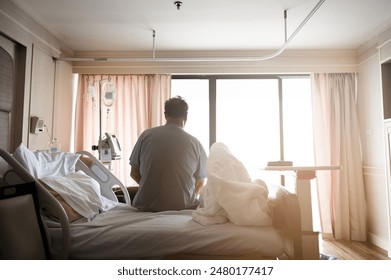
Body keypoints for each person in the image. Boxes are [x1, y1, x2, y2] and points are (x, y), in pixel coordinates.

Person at [129, 96, 207, 212]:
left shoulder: (146, 136)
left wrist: (150, 187)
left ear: (165, 115)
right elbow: (200, 181)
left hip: (146, 206)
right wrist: (189, 195)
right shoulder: (195, 144)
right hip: (183, 206)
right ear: (186, 116)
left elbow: (134, 173)